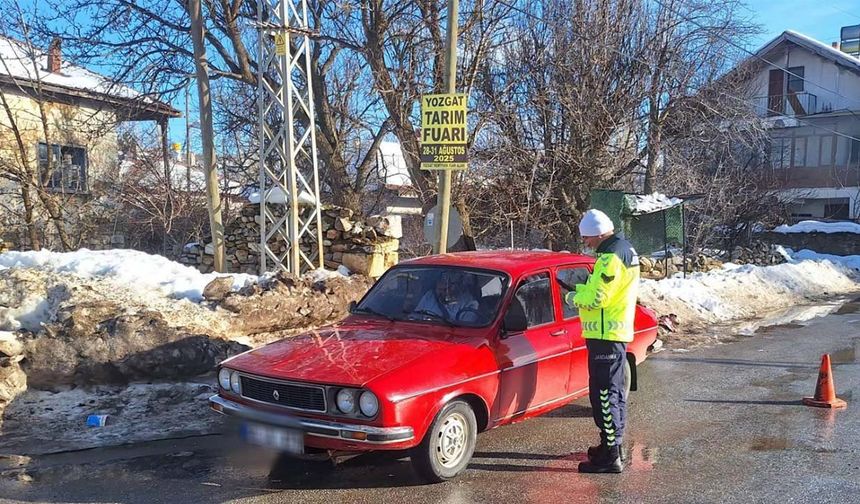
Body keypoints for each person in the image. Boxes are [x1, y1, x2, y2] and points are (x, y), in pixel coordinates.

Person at [565, 209, 639, 474]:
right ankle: (610, 446)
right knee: (613, 393)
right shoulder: (624, 249)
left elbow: (598, 299)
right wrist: (583, 289)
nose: (585, 243)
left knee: (604, 395)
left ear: (597, 234)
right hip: (611, 333)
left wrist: (572, 298)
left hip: (605, 335)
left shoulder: (609, 258)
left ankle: (610, 455)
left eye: (586, 238)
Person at [413, 270, 479, 323]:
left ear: (456, 285)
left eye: (446, 288)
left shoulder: (470, 302)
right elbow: (415, 315)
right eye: (441, 281)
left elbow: (466, 329)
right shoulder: (430, 295)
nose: (442, 290)